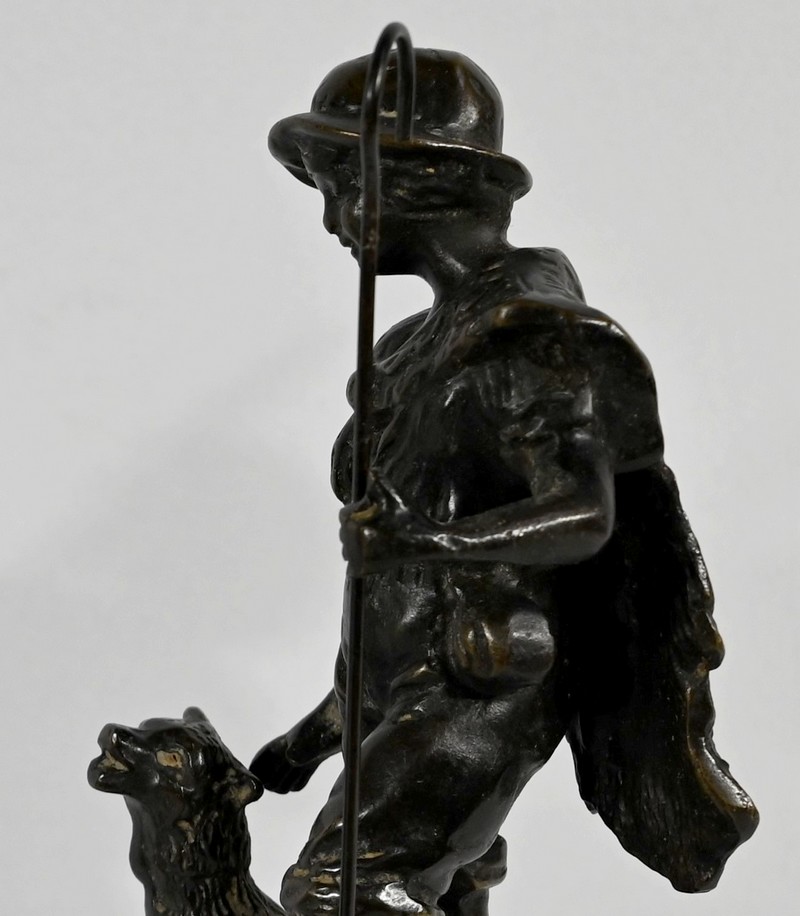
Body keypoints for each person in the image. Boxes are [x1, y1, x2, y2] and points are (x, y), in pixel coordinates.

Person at [252, 49, 757, 916]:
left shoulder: (526, 334)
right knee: (429, 889)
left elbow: (585, 514)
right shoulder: (411, 347)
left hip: (471, 697)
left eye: (348, 187)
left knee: (342, 890)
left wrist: (431, 539)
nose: (334, 219)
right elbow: (391, 592)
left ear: (426, 184)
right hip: (398, 693)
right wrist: (319, 731)